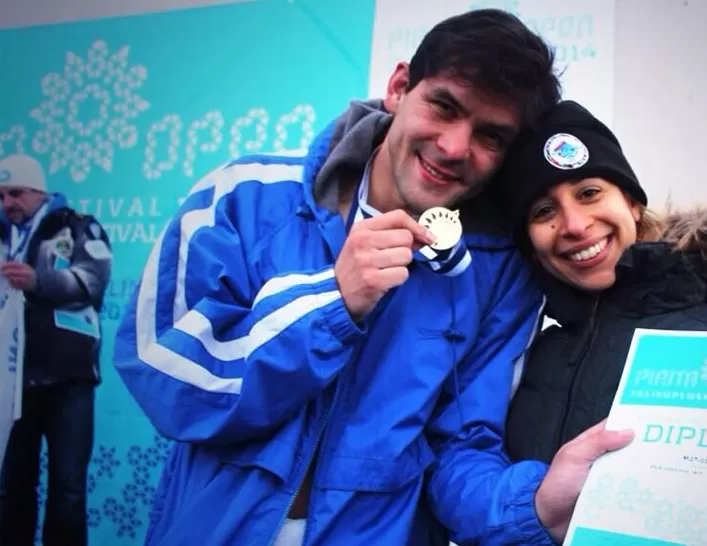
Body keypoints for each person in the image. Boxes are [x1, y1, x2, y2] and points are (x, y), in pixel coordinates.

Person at [113, 9, 632, 546]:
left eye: (490, 136)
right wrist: (332, 301)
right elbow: (165, 377)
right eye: (444, 106)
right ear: (399, 86)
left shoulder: (498, 269)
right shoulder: (245, 194)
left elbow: (462, 448)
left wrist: (534, 505)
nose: (454, 147)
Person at [499, 100, 707, 545]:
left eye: (589, 193)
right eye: (544, 211)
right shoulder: (533, 359)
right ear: (530, 242)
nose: (575, 225)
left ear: (633, 203)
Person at [0, 153, 112, 546]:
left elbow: (93, 282)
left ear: (39, 192)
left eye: (15, 193)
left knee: (67, 488)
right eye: (0, 196)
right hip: (12, 380)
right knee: (13, 483)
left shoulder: (79, 227)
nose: (7, 203)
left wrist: (37, 280)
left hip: (69, 378)